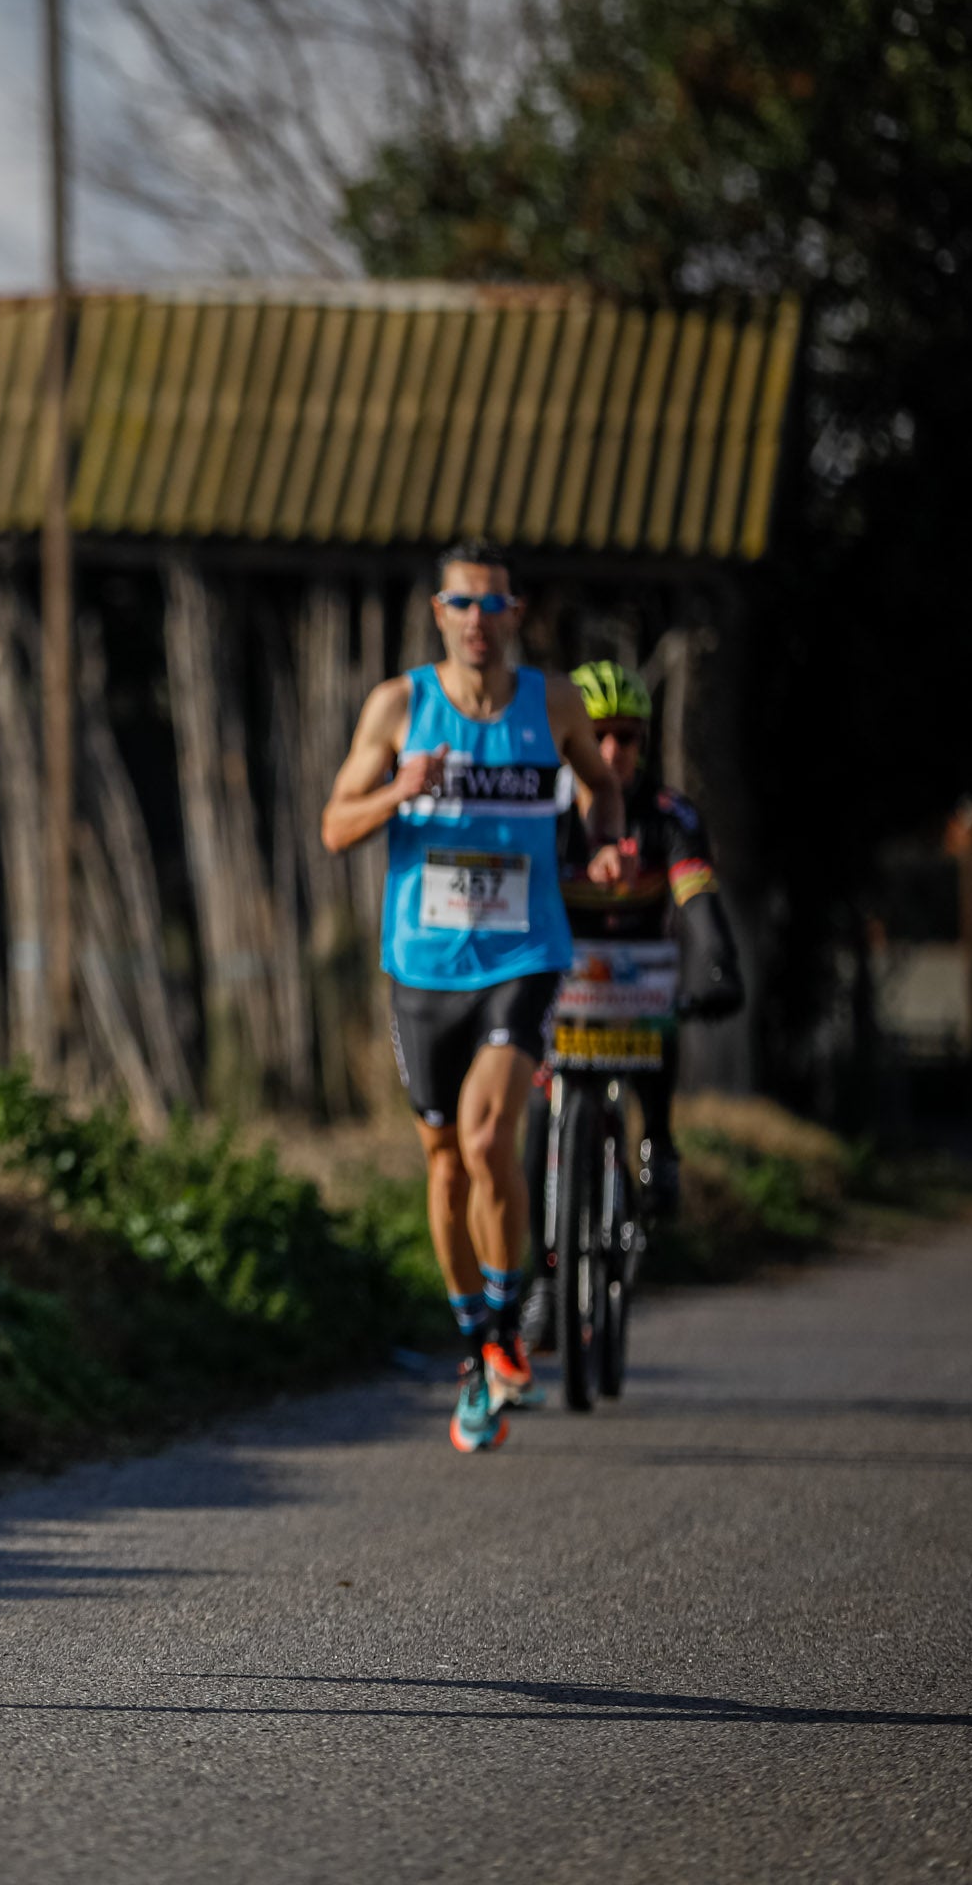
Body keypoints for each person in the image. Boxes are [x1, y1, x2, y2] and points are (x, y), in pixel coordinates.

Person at [321, 544, 629, 1453]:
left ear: (516, 615)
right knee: (446, 1163)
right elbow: (335, 825)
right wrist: (395, 790)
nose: (480, 622)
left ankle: (508, 1324)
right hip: (421, 967)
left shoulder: (554, 702)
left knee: (492, 1136)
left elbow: (603, 789)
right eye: (464, 605)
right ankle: (481, 1342)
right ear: (439, 612)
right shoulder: (399, 706)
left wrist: (603, 842)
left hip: (524, 952)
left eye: (496, 607)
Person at [519, 660, 747, 1350]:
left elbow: (698, 901)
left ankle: (661, 1142)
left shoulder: (668, 817)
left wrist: (718, 966)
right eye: (598, 736)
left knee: (660, 1014)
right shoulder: (546, 812)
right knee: (536, 1120)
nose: (613, 753)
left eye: (628, 738)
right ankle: (545, 1280)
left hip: (636, 985)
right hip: (560, 984)